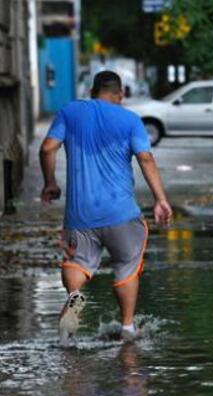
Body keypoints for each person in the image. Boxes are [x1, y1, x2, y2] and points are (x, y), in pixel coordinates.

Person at [39, 70, 172, 346]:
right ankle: (126, 327)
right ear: (120, 95)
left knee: (77, 263)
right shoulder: (130, 120)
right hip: (121, 214)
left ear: (92, 91)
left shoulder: (71, 112)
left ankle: (73, 302)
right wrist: (160, 199)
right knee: (127, 268)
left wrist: (50, 182)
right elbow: (145, 158)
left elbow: (47, 148)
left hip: (79, 215)